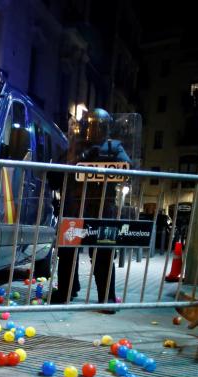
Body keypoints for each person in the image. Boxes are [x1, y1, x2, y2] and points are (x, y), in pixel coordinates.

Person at [52, 108, 131, 311]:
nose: (95, 130)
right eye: (92, 125)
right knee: (68, 252)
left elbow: (127, 168)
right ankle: (66, 291)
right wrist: (79, 156)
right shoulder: (75, 147)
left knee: (103, 254)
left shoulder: (114, 147)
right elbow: (56, 173)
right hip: (76, 207)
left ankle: (107, 298)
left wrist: (101, 160)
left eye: (99, 126)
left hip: (102, 209)